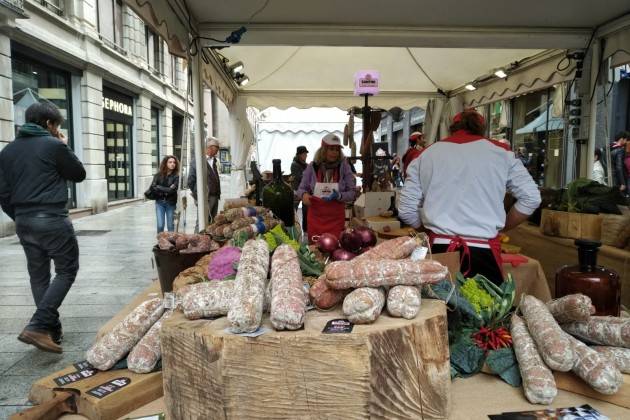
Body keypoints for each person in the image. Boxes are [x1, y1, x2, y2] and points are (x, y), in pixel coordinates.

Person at [398, 109, 541, 286]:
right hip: (484, 251)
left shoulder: (427, 154)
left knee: (438, 309)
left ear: (452, 128)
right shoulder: (501, 153)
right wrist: (504, 226)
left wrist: (427, 230)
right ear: (482, 129)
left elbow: (405, 209)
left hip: (440, 250)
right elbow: (532, 198)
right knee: (487, 310)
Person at [0, 102, 86, 353]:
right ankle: (38, 325)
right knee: (67, 270)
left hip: (24, 221)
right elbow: (78, 173)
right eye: (56, 125)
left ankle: (50, 329)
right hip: (51, 217)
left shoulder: (7, 152)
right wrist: (63, 144)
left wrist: (20, 216)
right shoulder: (54, 145)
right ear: (49, 124)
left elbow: (3, 193)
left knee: (39, 276)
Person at [297, 133, 356, 242]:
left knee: (335, 248)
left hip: (336, 219)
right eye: (331, 149)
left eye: (337, 150)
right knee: (316, 252)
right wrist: (304, 195)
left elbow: (352, 193)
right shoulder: (312, 167)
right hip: (316, 219)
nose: (335, 152)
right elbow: (301, 189)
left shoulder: (344, 167)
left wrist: (339, 195)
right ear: (324, 150)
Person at [188, 137, 221, 227]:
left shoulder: (214, 160)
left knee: (212, 222)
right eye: (216, 148)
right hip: (205, 197)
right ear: (209, 147)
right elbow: (190, 181)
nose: (218, 150)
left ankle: (208, 240)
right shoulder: (197, 161)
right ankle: (196, 239)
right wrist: (198, 195)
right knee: (201, 222)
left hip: (215, 196)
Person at [152, 155, 179, 233]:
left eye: (174, 162)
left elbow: (172, 191)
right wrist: (167, 189)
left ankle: (170, 243)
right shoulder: (158, 175)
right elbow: (153, 188)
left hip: (171, 203)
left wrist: (159, 187)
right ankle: (160, 243)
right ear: (165, 163)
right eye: (170, 162)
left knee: (170, 226)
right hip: (159, 203)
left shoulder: (176, 177)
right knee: (160, 225)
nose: (172, 164)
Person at [291, 145, 309, 232]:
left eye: (306, 154)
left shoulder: (306, 165)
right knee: (293, 210)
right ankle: (292, 227)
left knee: (306, 211)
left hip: (305, 191)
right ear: (299, 155)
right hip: (297, 190)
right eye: (304, 154)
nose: (306, 155)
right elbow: (299, 177)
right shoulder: (294, 164)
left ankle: (305, 229)